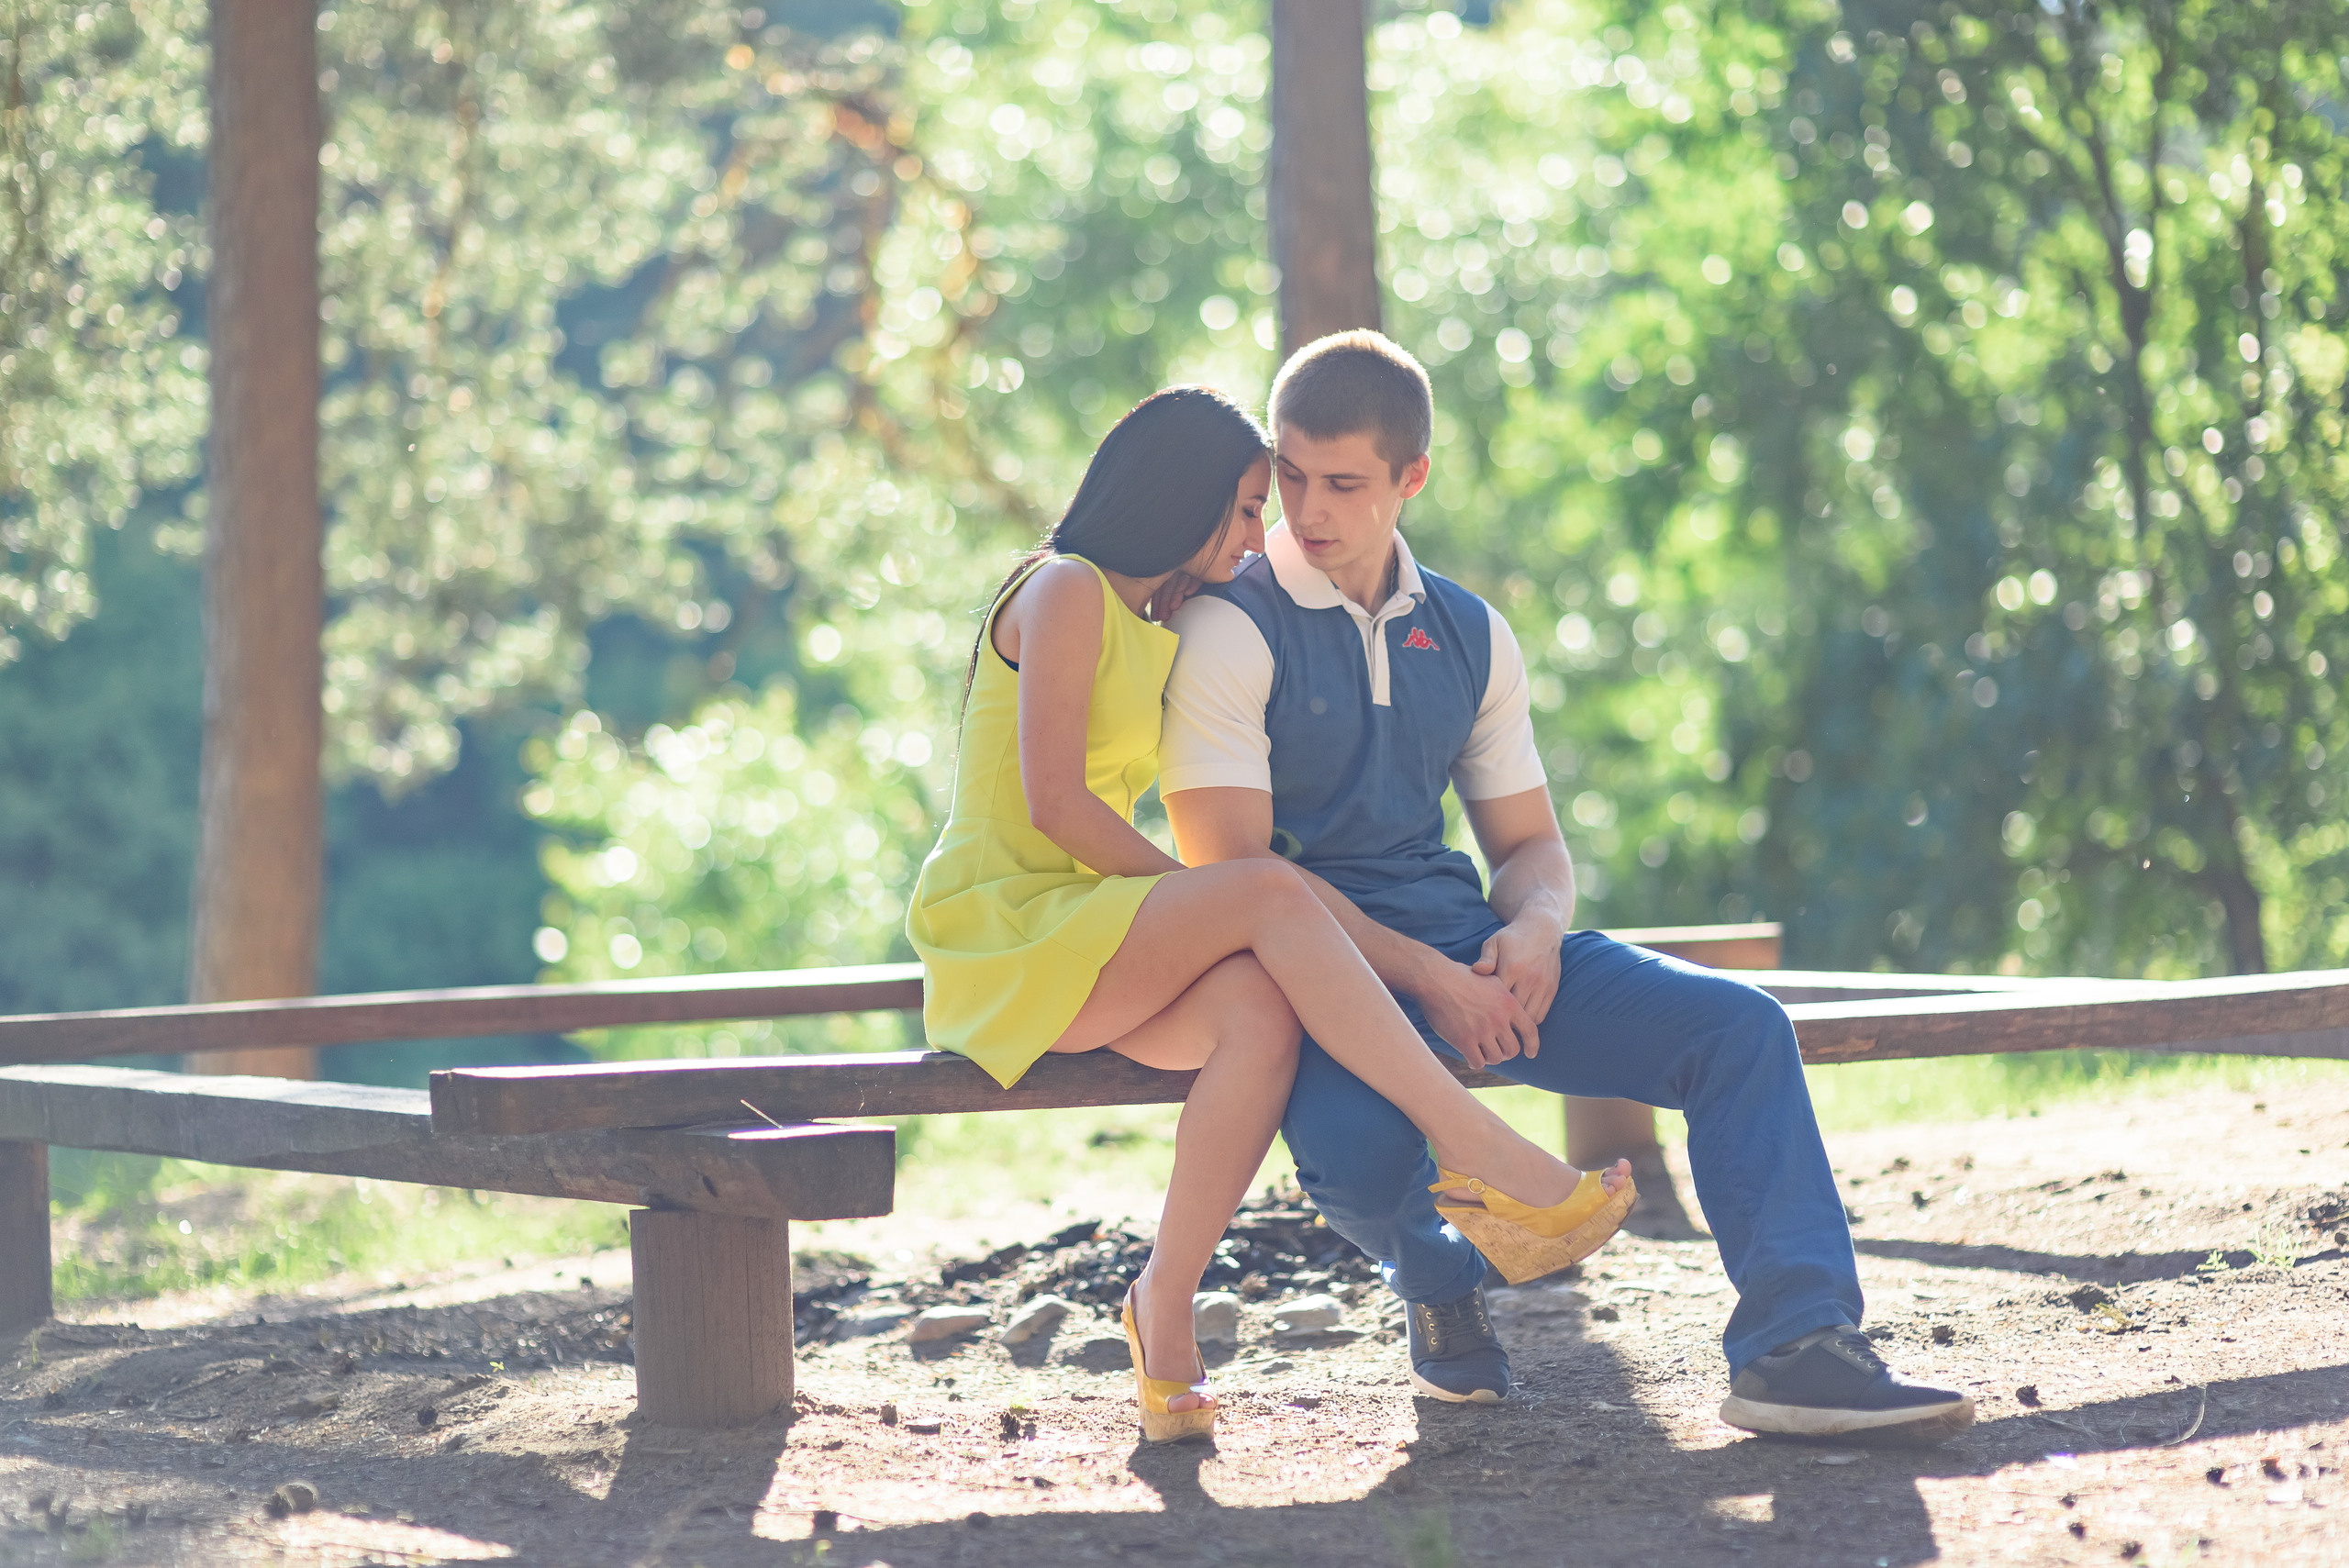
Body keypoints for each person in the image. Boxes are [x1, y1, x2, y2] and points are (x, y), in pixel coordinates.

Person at [1159, 333, 1976, 1443]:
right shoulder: (1227, 625)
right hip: (1311, 983)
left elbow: (1530, 845)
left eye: (1343, 482)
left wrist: (1537, 928)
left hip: (1468, 946)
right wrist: (1434, 981)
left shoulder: (1470, 632)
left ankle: (1798, 1346)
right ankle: (1439, 1278)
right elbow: (1239, 874)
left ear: (1411, 478)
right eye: (1290, 474)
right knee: (1356, 1159)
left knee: (1738, 1027)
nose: (1306, 509)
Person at [907, 385, 1634, 1444]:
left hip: (1084, 924)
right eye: (1249, 507)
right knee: (1265, 887)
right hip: (1008, 922)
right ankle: (1479, 1147)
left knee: (1257, 1011)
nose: (1263, 531)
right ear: (1182, 496)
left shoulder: (1154, 615)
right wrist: (1197, 897)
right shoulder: (1065, 587)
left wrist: (1203, 905)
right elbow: (1054, 802)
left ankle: (1163, 1300)